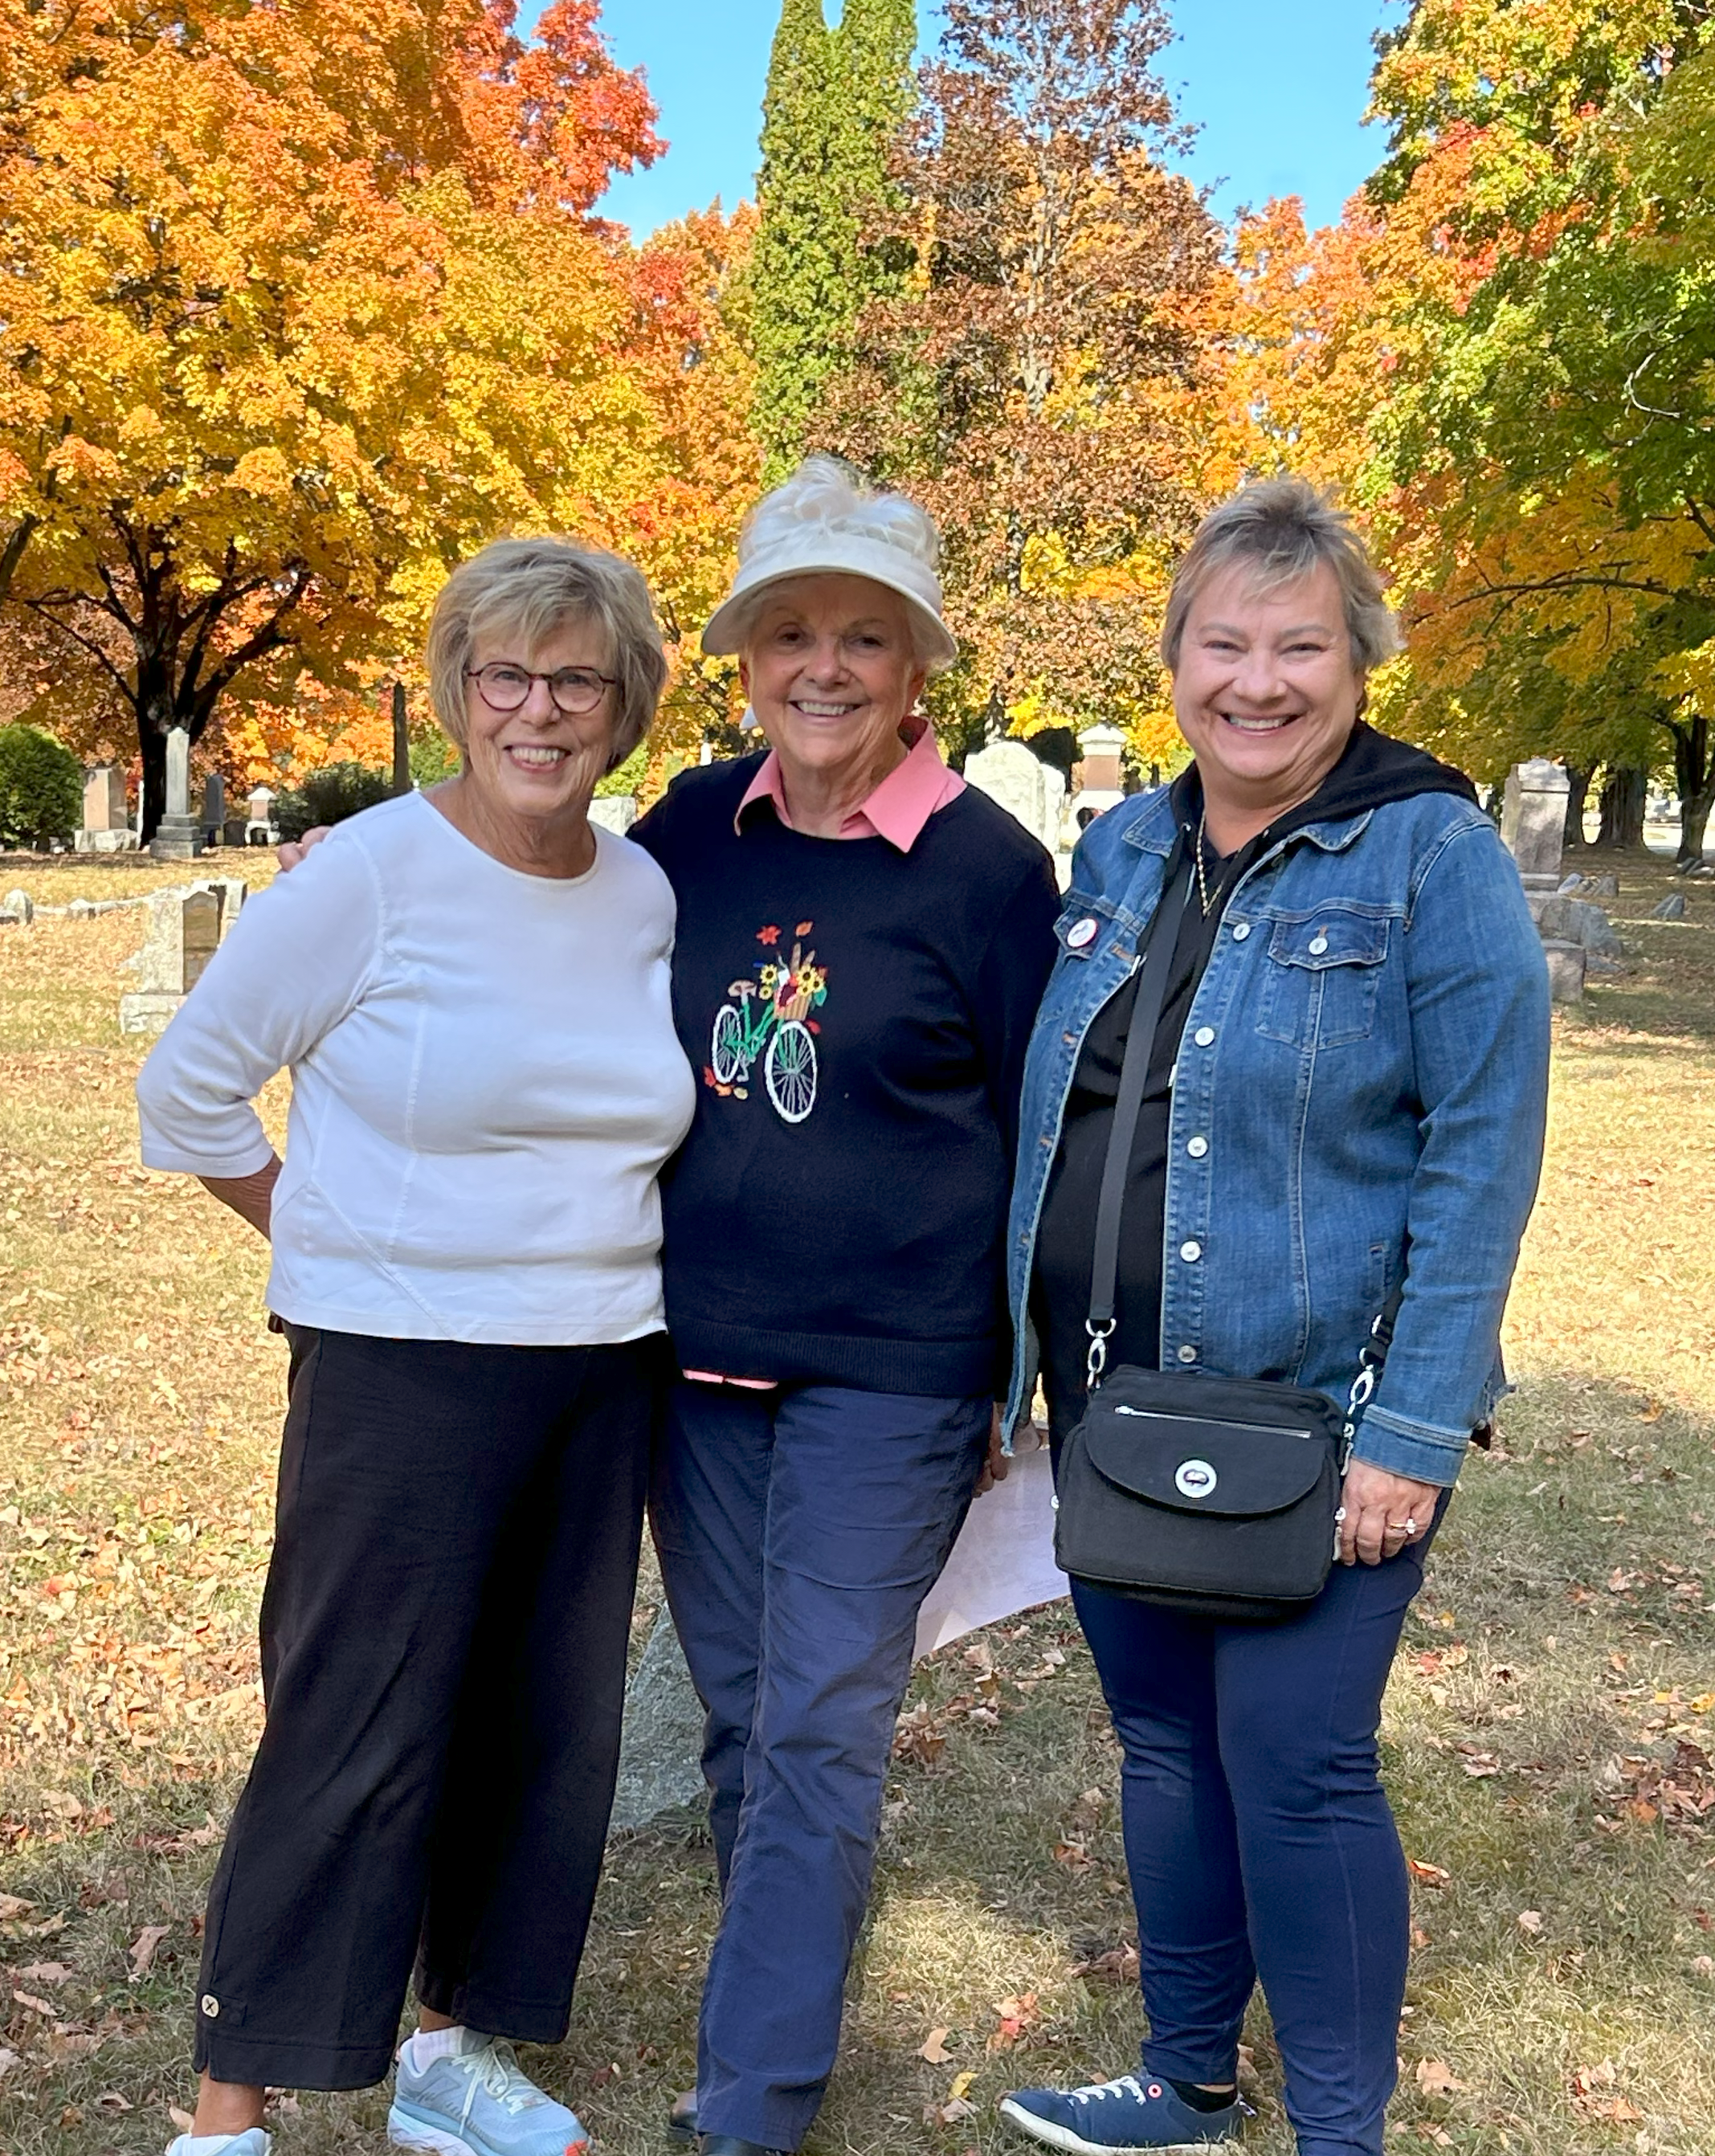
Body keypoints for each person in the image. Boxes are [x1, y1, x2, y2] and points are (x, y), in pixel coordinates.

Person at [994, 476, 1550, 2156]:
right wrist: (1019, 1379)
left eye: (1297, 644)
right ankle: (1181, 2077)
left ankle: (1337, 2132)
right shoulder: (1128, 845)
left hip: (1321, 1418)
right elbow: (1065, 1116)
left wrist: (1413, 1424)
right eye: (1222, 642)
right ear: (1173, 659)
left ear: (1358, 661)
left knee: (1296, 1769)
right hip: (1113, 1405)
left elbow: (1481, 1153)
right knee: (1163, 1750)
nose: (1257, 680)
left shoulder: (1426, 856)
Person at [134, 537, 697, 2156]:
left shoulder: (642, 893)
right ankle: (230, 2111)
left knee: (540, 1723)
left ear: (623, 704)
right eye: (502, 675)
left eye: (574, 678)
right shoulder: (370, 872)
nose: (537, 709)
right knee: (350, 1721)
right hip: (398, 1372)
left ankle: (449, 2060)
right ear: (456, 690)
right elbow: (188, 1092)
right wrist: (327, 1243)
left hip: (600, 1367)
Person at [631, 456, 1063, 2156]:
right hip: (685, 1365)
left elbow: (1046, 1133)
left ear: (914, 670)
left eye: (863, 639)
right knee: (749, 1713)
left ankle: (750, 2100)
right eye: (789, 631)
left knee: (819, 1718)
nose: (822, 667)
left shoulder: (983, 873)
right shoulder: (682, 833)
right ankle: (776, 1996)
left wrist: (1024, 1379)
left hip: (888, 1379)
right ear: (745, 657)